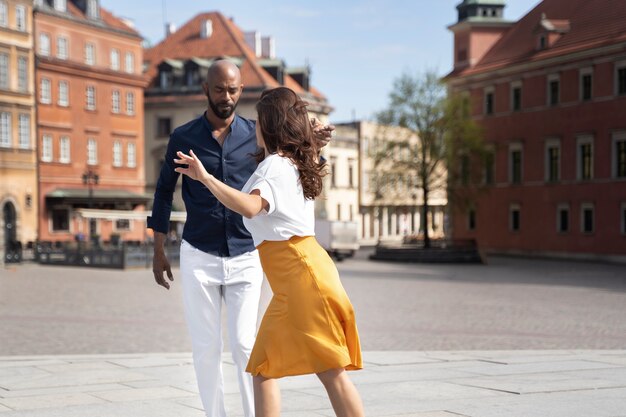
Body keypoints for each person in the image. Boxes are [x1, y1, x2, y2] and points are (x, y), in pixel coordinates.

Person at [147, 60, 333, 417]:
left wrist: (315, 145)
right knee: (205, 348)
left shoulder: (256, 133)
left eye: (233, 90)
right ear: (206, 89)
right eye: (220, 89)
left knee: (246, 345)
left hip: (247, 255)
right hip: (199, 253)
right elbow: (162, 193)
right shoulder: (182, 138)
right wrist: (158, 248)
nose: (227, 97)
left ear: (241, 90)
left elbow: (289, 165)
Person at [174, 87, 364, 417]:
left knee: (330, 370)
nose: (255, 128)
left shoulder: (276, 166)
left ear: (270, 125)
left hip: (302, 279)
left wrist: (205, 178)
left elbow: (250, 207)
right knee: (265, 368)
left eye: (259, 121)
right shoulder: (291, 162)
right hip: (301, 277)